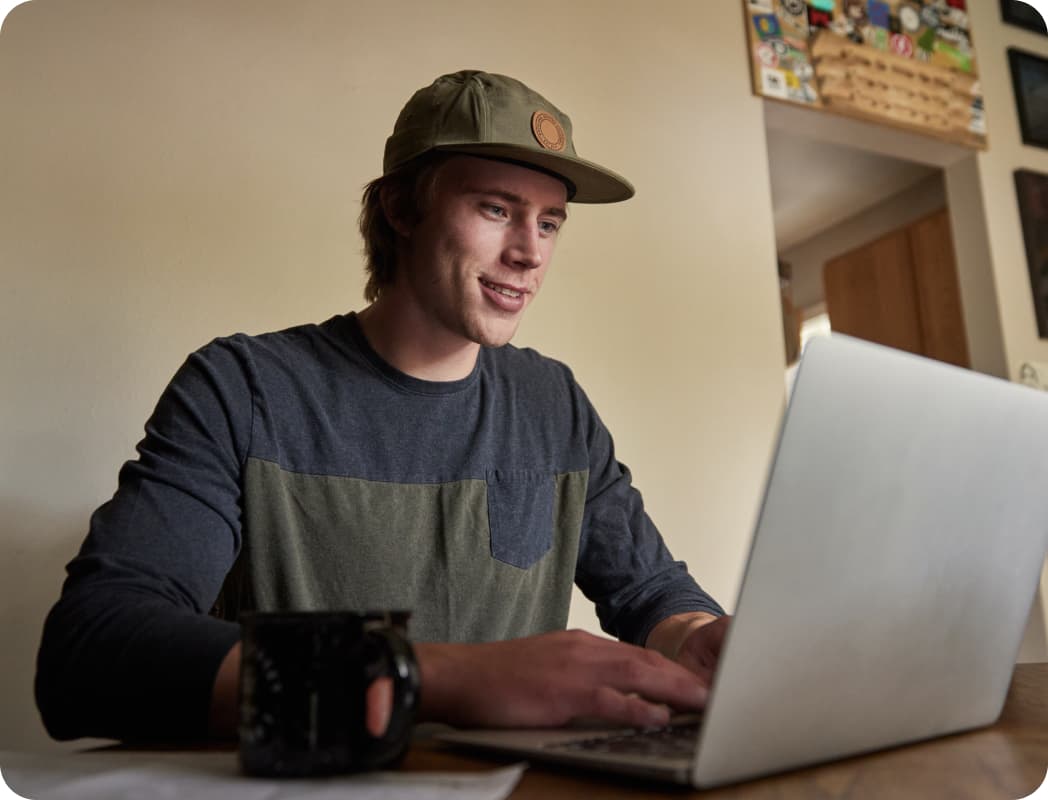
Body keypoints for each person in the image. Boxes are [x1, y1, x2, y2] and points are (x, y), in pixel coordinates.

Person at [35, 70, 729, 745]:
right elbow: (92, 649)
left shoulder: (555, 404)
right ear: (399, 210)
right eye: (496, 209)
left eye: (549, 223)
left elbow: (649, 589)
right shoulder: (243, 387)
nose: (528, 253)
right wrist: (445, 678)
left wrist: (696, 638)